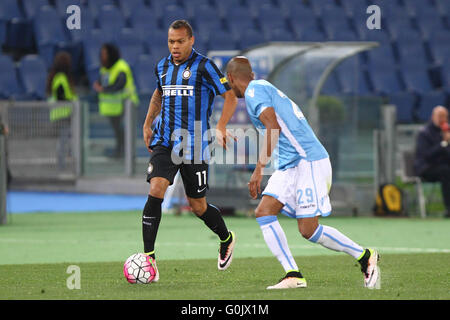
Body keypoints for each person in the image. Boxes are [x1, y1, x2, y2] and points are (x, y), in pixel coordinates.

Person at [225, 56, 380, 289]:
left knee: (308, 229)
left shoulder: (254, 92)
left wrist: (259, 169)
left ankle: (365, 256)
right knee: (264, 212)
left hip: (308, 161)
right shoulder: (263, 87)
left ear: (231, 78)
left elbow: (273, 127)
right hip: (290, 164)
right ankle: (293, 274)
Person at [141, 20, 238, 281]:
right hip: (165, 141)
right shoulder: (161, 66)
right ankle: (149, 260)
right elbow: (159, 94)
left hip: (194, 144)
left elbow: (229, 96)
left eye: (180, 41)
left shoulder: (205, 66)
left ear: (191, 41)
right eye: (171, 41)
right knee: (156, 189)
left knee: (197, 206)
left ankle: (226, 238)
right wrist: (148, 122)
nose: (175, 46)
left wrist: (221, 126)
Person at [93, 43, 139, 158]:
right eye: (102, 54)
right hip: (113, 107)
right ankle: (120, 152)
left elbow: (119, 84)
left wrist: (103, 89)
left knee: (125, 131)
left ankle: (127, 154)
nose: (102, 56)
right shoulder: (104, 69)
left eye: (105, 54)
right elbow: (100, 82)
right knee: (118, 131)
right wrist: (98, 85)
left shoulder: (121, 67)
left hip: (126, 104)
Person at [414, 105, 450, 218]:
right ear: (433, 117)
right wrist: (443, 144)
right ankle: (449, 208)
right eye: (440, 116)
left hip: (442, 167)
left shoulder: (446, 132)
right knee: (446, 172)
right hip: (426, 168)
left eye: (445, 117)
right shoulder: (424, 133)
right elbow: (426, 155)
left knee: (446, 170)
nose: (442, 119)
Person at [46, 51, 77, 170]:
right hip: (62, 114)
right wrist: (72, 101)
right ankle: (61, 165)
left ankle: (63, 163)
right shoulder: (61, 78)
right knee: (63, 140)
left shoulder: (57, 77)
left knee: (65, 139)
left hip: (63, 114)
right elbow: (61, 96)